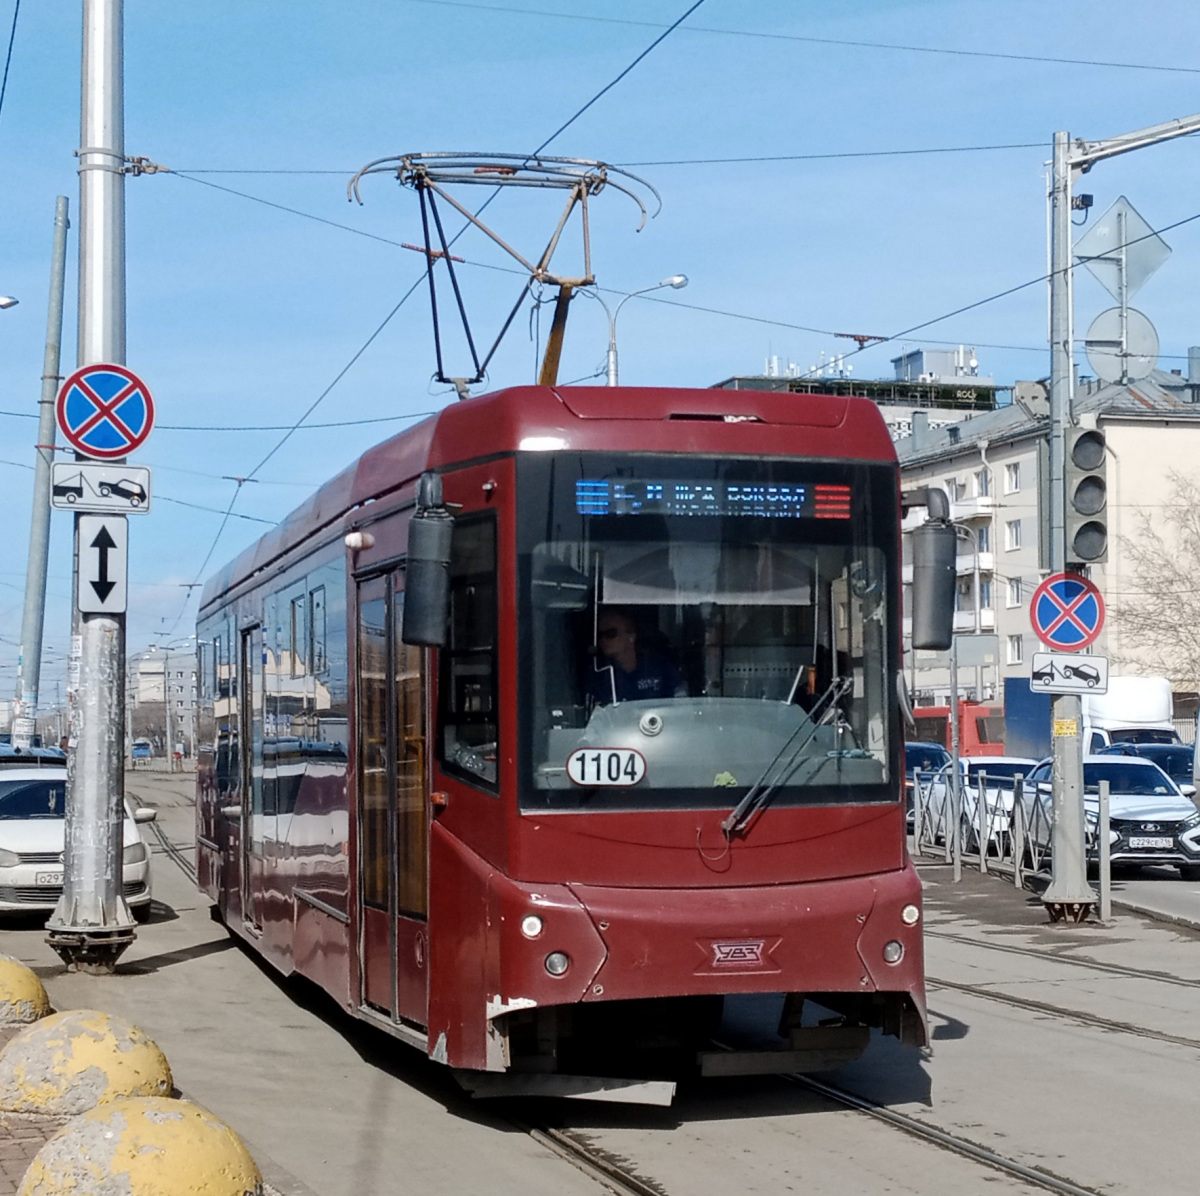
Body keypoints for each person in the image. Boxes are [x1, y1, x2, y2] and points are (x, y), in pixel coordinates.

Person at [589, 608, 686, 705]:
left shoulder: (659, 665)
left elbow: (680, 699)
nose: (603, 640)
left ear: (631, 636)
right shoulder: (598, 673)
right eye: (600, 635)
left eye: (610, 634)